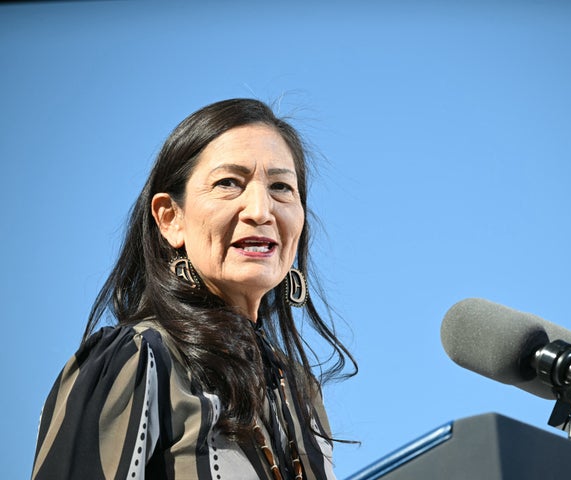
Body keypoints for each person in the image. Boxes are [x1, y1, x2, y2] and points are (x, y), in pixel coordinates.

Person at [31, 99, 356, 480]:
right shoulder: (137, 359)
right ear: (170, 219)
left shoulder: (301, 394)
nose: (260, 210)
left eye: (281, 187)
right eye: (228, 183)